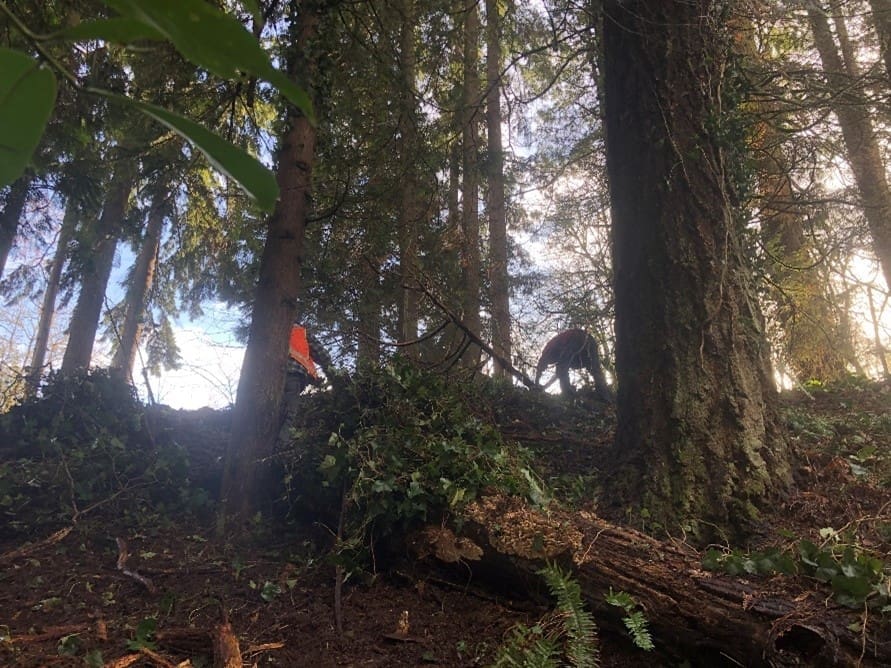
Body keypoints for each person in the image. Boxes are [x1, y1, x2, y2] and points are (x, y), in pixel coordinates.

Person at [535, 329, 613, 401]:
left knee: (561, 368)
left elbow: (541, 367)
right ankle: (604, 395)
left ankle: (568, 396)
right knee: (595, 369)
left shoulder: (547, 351)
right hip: (590, 340)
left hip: (574, 338)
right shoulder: (556, 351)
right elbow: (560, 371)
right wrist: (545, 386)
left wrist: (536, 383)